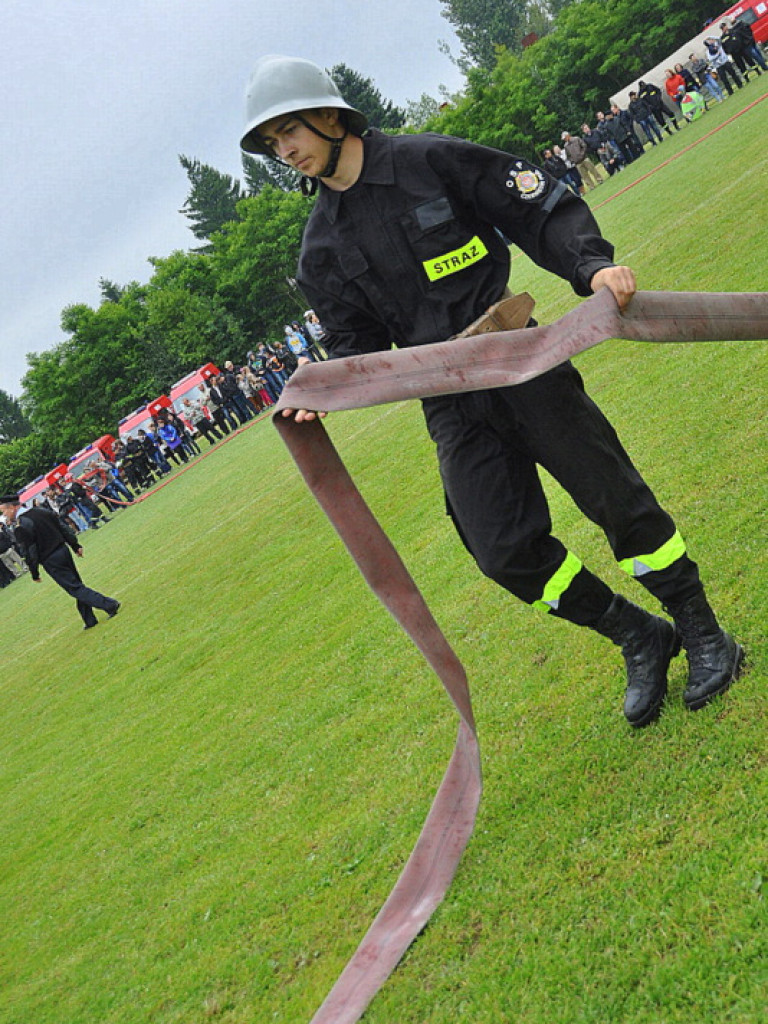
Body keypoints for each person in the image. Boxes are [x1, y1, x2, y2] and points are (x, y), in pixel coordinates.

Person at [240, 55, 744, 727]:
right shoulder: (320, 249)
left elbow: (540, 208)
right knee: (501, 548)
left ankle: (705, 632)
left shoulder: (433, 161)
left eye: (289, 131)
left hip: (522, 363)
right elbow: (354, 347)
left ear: (330, 116)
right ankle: (638, 635)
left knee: (616, 502)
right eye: (273, 143)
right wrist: (322, 390)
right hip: (450, 403)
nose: (286, 151)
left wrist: (591, 266)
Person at [0, 493, 120, 629]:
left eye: (3, 511)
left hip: (51, 559)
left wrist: (34, 572)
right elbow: (63, 528)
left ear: (12, 508)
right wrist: (75, 545)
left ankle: (109, 604)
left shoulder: (22, 525)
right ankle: (89, 619)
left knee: (75, 588)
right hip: (63, 551)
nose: (4, 515)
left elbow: (30, 551)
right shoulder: (42, 512)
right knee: (77, 585)